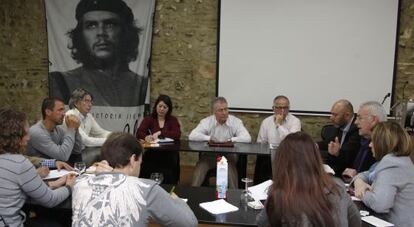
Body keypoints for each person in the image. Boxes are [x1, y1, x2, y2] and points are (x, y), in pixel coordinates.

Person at [72, 132, 198, 227]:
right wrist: (177, 201)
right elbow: (190, 223)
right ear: (133, 160)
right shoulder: (146, 189)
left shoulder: (79, 182)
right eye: (140, 163)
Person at [49, 0, 147, 106]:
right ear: (80, 35)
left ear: (125, 32)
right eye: (91, 25)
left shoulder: (142, 85)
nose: (101, 33)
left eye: (110, 24)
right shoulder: (62, 82)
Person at [256, 132, 361, 227]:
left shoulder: (279, 193)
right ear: (315, 158)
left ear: (282, 161)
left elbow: (261, 223)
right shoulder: (337, 186)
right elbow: (356, 222)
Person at [0, 109, 76, 227]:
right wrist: (69, 186)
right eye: (25, 133)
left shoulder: (11, 158)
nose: (28, 138)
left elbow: (12, 182)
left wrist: (53, 167)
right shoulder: (20, 163)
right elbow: (50, 200)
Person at [353, 121, 414, 226]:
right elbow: (364, 175)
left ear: (382, 143)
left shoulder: (391, 166)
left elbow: (379, 205)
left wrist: (362, 194)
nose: (370, 145)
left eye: (373, 141)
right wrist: (359, 183)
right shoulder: (400, 161)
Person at [189, 97, 251, 189]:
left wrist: (232, 139)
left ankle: (234, 196)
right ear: (214, 112)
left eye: (226, 109)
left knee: (227, 164)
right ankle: (192, 193)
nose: (224, 112)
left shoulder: (235, 121)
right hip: (211, 156)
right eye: (220, 110)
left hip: (229, 156)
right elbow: (192, 136)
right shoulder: (207, 122)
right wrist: (208, 138)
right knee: (201, 165)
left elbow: (247, 138)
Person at [255, 95, 301, 184]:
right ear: (273, 108)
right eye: (279, 108)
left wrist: (279, 125)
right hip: (269, 157)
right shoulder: (266, 122)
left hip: (289, 156)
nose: (283, 111)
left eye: (285, 108)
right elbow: (260, 142)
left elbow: (290, 141)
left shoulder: (295, 121)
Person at [136, 94, 181, 184]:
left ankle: (169, 187)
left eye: (165, 107)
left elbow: (177, 134)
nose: (162, 109)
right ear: (156, 106)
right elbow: (139, 132)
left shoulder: (172, 120)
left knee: (168, 169)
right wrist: (146, 137)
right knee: (146, 165)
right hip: (152, 152)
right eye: (160, 106)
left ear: (169, 109)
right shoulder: (149, 119)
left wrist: (161, 133)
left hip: (169, 153)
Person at [27, 97, 83, 164]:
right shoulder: (36, 132)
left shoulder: (58, 130)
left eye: (63, 110)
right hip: (40, 171)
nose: (63, 114)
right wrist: (70, 129)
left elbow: (77, 150)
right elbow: (63, 156)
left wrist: (75, 129)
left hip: (56, 170)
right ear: (48, 112)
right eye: (60, 110)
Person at [342, 101, 387, 180]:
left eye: (360, 118)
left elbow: (379, 180)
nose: (355, 122)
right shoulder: (360, 140)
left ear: (373, 120)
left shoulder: (385, 147)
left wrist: (357, 176)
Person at [317, 99, 361, 177]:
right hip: (337, 165)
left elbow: (348, 156)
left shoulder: (357, 130)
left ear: (347, 115)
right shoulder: (341, 125)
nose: (331, 118)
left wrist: (337, 153)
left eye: (335, 115)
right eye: (331, 114)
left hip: (347, 172)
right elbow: (330, 142)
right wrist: (313, 145)